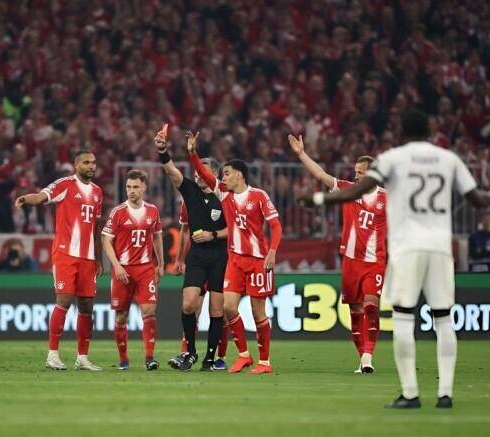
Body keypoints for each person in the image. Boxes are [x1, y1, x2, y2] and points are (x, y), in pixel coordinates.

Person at [303, 109, 490, 409]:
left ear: (402, 132)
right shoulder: (449, 159)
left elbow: (355, 190)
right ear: (430, 131)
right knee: (444, 319)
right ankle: (445, 394)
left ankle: (410, 394)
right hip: (440, 247)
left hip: (409, 248)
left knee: (403, 317)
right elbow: (477, 199)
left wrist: (317, 199)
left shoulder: (393, 159)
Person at [288, 134, 386, 373]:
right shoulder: (347, 189)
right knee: (355, 311)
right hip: (350, 261)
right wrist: (302, 154)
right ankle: (362, 359)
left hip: (374, 261)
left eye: (361, 173)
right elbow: (321, 175)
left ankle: (368, 356)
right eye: (355, 172)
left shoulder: (387, 198)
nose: (356, 176)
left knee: (371, 306)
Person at [188, 131, 282, 374]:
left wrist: (272, 252)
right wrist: (192, 153)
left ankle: (264, 361)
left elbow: (276, 226)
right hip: (235, 261)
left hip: (258, 261)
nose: (223, 177)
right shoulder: (224, 194)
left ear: (239, 175)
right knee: (229, 308)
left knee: (258, 312)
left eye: (227, 173)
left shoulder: (259, 196)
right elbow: (205, 175)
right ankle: (244, 355)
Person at [14, 150, 104, 371]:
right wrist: (26, 198)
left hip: (88, 257)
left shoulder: (97, 192)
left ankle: (82, 358)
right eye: (86, 162)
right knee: (63, 301)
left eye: (93, 162)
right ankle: (52, 355)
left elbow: (96, 228)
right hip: (66, 254)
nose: (91, 166)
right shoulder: (65, 185)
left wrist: (99, 258)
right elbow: (41, 196)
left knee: (87, 306)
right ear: (76, 165)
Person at [155, 128, 229, 371]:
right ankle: (191, 353)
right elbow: (171, 171)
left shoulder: (225, 196)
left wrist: (213, 235)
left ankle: (210, 358)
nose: (197, 175)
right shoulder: (190, 192)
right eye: (196, 171)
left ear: (214, 174)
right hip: (197, 256)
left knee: (216, 310)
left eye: (202, 171)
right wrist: (162, 150)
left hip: (220, 257)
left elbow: (235, 230)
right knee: (188, 305)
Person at [102, 170, 164, 370]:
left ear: (144, 187)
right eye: (129, 187)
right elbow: (106, 241)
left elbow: (157, 236)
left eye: (136, 187)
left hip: (145, 269)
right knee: (121, 316)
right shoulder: (118, 212)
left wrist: (161, 264)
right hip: (122, 271)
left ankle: (149, 358)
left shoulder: (152, 211)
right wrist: (117, 265)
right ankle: (123, 359)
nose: (131, 191)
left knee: (149, 311)